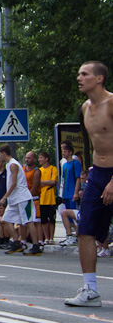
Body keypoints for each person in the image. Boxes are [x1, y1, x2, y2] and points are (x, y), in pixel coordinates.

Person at [66, 61, 113, 307]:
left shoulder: (112, 103)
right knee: (84, 229)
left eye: (84, 74)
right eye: (79, 73)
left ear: (99, 79)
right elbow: (92, 142)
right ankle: (91, 290)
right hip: (98, 174)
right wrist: (88, 172)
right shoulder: (85, 107)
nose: (79, 77)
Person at [0, 144, 42, 256]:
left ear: (3, 153)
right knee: (6, 219)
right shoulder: (9, 165)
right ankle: (17, 242)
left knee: (28, 221)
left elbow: (14, 183)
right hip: (15, 199)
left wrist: (4, 197)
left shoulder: (13, 164)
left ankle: (36, 246)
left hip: (23, 198)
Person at [38, 151, 59, 244]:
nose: (39, 160)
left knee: (52, 219)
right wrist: (47, 182)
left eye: (41, 157)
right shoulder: (39, 170)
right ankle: (46, 237)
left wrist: (43, 182)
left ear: (46, 159)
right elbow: (37, 183)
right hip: (42, 198)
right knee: (43, 220)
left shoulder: (53, 169)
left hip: (51, 198)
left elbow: (53, 181)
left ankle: (51, 238)